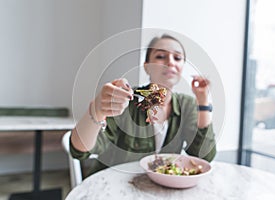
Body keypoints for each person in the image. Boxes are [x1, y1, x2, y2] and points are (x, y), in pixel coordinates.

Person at [70, 34, 216, 176]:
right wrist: (98, 109)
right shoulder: (125, 101)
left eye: (177, 58)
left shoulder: (187, 104)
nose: (171, 62)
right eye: (160, 56)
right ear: (147, 67)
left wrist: (203, 102)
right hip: (110, 187)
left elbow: (204, 156)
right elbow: (80, 150)